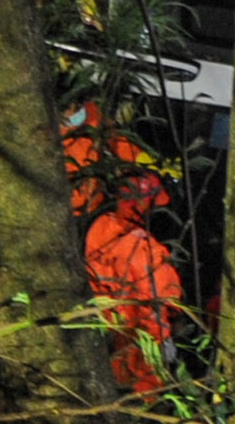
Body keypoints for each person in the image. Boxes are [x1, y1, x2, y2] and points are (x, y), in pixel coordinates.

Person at [78, 163, 182, 398]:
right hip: (144, 338)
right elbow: (160, 297)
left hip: (112, 332)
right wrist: (163, 340)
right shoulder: (141, 245)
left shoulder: (100, 227)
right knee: (149, 394)